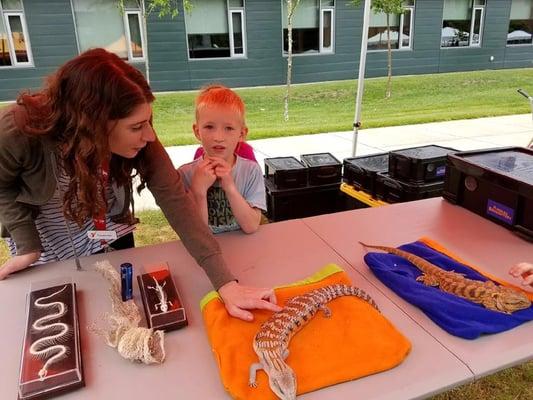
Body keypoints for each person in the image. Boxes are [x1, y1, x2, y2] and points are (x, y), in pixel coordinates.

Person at [0, 48, 280, 321]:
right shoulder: (18, 130)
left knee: (120, 307)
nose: (149, 136)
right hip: (47, 238)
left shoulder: (142, 135)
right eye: (136, 127)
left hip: (104, 228)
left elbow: (175, 200)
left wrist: (225, 283)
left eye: (148, 122)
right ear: (94, 124)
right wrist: (28, 245)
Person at [178, 85, 266, 234]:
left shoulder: (251, 171)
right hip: (207, 251)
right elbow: (194, 234)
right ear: (197, 131)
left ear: (241, 134)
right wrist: (198, 192)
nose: (218, 137)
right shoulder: (185, 174)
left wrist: (230, 187)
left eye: (229, 128)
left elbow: (251, 226)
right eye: (209, 127)